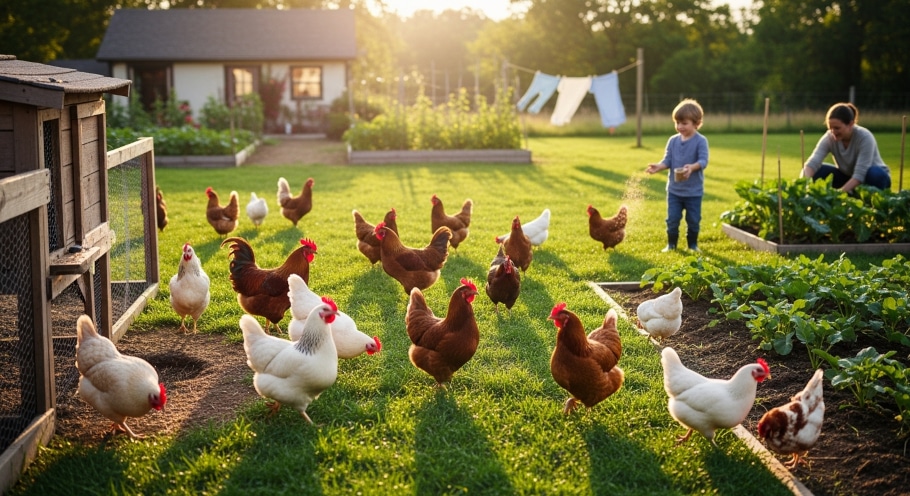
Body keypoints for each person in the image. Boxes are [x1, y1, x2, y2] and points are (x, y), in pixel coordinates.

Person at [646, 98, 709, 252]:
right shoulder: (673, 141)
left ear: (696, 123)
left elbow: (703, 161)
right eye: (677, 123)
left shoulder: (700, 141)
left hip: (693, 192)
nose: (680, 126)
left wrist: (692, 167)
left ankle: (692, 245)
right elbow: (668, 160)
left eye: (684, 123)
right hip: (674, 191)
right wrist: (659, 167)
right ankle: (671, 245)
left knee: (693, 220)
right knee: (672, 219)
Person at [801, 103, 891, 192]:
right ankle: (851, 192)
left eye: (837, 128)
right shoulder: (829, 137)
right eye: (830, 128)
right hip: (848, 176)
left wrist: (839, 194)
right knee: (818, 170)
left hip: (872, 177)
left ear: (851, 124)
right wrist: (803, 185)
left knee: (875, 174)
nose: (833, 132)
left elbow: (860, 174)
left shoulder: (865, 137)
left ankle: (870, 195)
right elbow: (812, 163)